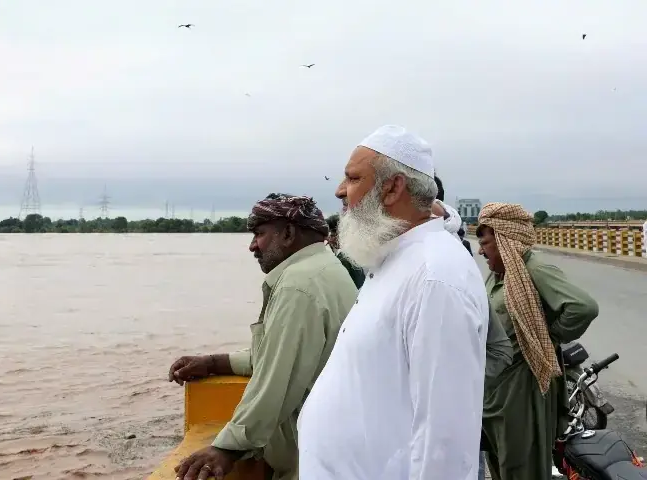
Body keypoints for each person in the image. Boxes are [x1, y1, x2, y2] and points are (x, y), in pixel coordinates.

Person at [297, 125, 489, 479]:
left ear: (393, 187)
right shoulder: (392, 258)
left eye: (353, 178)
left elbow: (444, 439)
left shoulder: (435, 276)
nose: (340, 190)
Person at [169, 193, 357, 480]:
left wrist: (227, 448)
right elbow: (283, 354)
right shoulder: (324, 269)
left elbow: (276, 381)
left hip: (311, 460)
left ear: (289, 233)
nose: (252, 246)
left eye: (259, 234)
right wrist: (213, 362)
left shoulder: (299, 285)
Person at [476, 202, 599, 480]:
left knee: (522, 470)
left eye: (485, 242)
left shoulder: (534, 268)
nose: (480, 250)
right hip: (495, 394)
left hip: (522, 391)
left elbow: (583, 307)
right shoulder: (501, 275)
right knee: (500, 467)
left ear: (505, 240)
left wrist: (546, 337)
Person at [431, 178, 510, 480]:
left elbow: (499, 350)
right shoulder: (384, 266)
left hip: (464, 416)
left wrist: (457, 385)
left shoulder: (453, 263)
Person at [325, 215, 366, 288]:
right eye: (330, 236)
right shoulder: (354, 252)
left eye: (333, 235)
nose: (330, 240)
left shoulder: (344, 258)